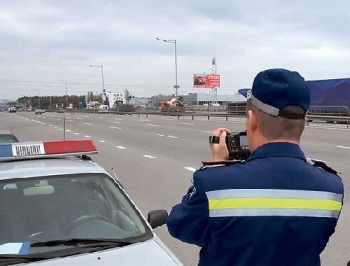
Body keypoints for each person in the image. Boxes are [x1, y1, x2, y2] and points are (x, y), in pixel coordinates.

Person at [166, 68, 344, 266]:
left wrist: (219, 166)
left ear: (251, 120)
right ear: (304, 121)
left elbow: (179, 226)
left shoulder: (215, 183)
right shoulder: (332, 187)